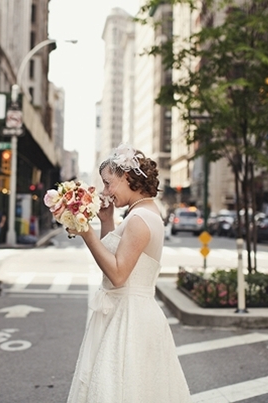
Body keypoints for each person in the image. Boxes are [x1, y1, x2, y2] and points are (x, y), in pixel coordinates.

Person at [66, 144, 191, 402]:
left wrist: (86, 232)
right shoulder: (143, 213)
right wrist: (106, 222)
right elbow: (115, 257)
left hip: (129, 318)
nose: (105, 191)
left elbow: (119, 275)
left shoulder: (138, 219)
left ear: (126, 177)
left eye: (108, 183)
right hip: (129, 311)